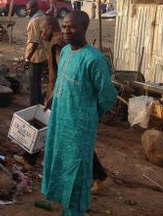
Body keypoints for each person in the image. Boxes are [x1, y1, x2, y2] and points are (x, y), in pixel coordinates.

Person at [41, 11, 117, 216]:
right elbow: (62, 80)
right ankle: (66, 208)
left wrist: (91, 113)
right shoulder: (65, 52)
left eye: (72, 27)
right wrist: (54, 95)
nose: (66, 31)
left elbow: (108, 95)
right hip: (59, 123)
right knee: (61, 163)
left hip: (79, 128)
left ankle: (75, 211)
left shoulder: (94, 59)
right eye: (64, 26)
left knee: (77, 170)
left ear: (84, 29)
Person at [24, 0, 47, 105]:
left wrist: (27, 59)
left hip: (36, 56)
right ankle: (39, 103)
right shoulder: (44, 18)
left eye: (28, 9)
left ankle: (33, 105)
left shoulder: (34, 21)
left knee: (33, 82)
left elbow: (34, 42)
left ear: (33, 9)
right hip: (44, 54)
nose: (26, 11)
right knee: (38, 81)